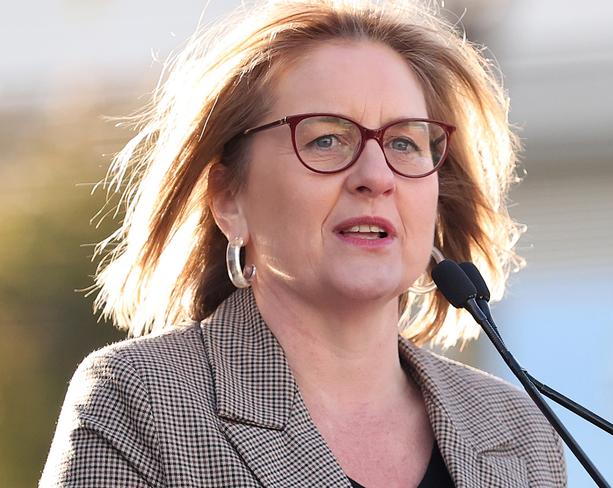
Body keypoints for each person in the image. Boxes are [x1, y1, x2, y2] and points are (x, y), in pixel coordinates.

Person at [40, 0, 566, 486]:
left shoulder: (522, 433)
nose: (376, 176)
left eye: (404, 141)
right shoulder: (141, 398)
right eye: (326, 139)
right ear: (228, 199)